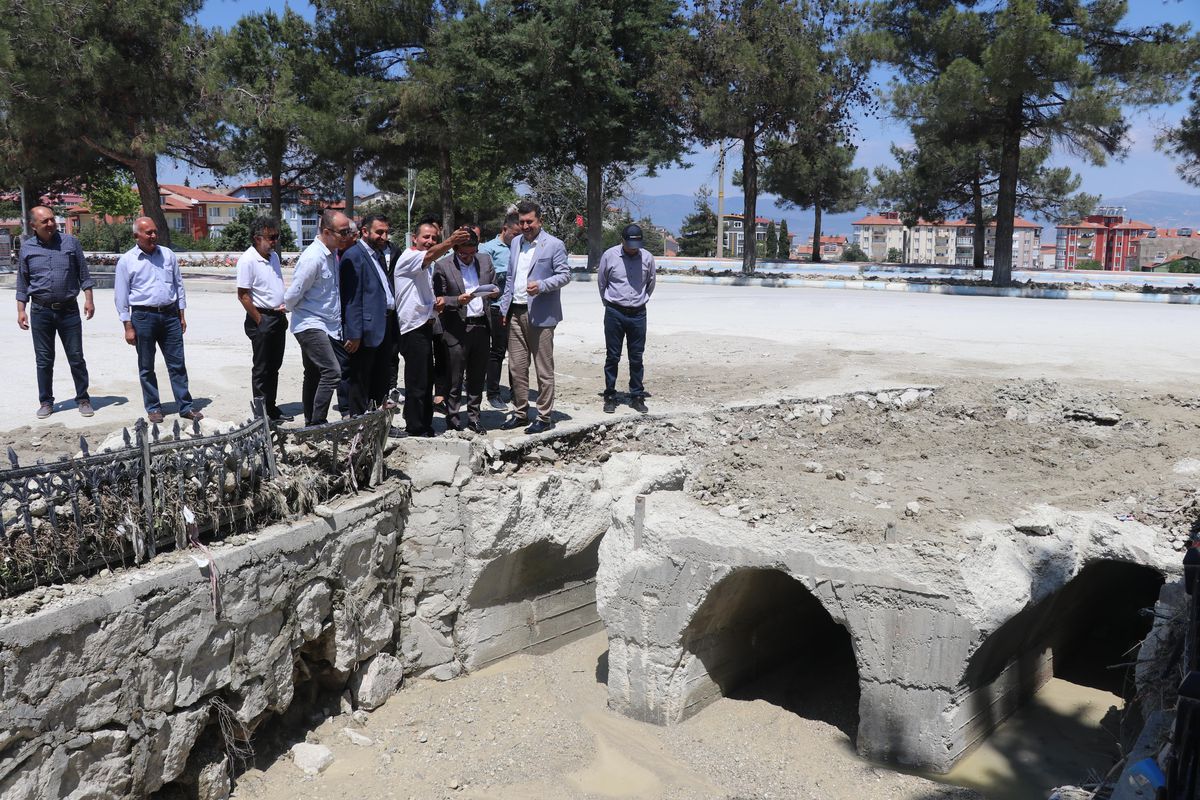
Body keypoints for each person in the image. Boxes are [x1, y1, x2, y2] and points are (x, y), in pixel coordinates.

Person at [114, 217, 201, 424]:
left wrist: (181, 315)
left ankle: (185, 406)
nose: (153, 236)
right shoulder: (127, 261)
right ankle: (153, 407)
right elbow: (121, 296)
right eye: (148, 233)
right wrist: (127, 326)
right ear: (136, 236)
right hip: (143, 317)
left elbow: (178, 285)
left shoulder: (168, 255)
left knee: (177, 363)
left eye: (155, 231)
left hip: (170, 316)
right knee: (146, 366)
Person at [15, 205, 95, 419]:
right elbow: (22, 282)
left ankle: (83, 398)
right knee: (44, 359)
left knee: (76, 357)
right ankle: (46, 401)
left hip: (69, 310)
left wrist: (89, 299)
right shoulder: (27, 248)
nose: (51, 224)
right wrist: (21, 310)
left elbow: (84, 274)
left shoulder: (71, 243)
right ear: (33, 225)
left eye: (52, 219)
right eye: (45, 221)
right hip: (40, 311)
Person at [497, 201, 570, 434]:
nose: (526, 226)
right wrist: (504, 308)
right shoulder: (515, 242)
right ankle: (520, 413)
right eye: (522, 222)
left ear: (540, 221)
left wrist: (542, 285)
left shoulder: (554, 245)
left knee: (543, 369)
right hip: (515, 312)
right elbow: (510, 277)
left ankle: (544, 416)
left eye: (530, 221)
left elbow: (565, 275)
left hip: (541, 314)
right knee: (517, 367)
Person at [391, 223, 470, 437]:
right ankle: (416, 427)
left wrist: (434, 305)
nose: (430, 241)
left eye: (434, 238)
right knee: (417, 381)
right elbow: (430, 255)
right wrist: (451, 241)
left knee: (426, 379)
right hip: (412, 327)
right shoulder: (410, 257)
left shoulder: (426, 265)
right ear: (414, 238)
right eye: (426, 237)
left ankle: (424, 424)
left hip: (425, 325)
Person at [284, 210, 355, 426]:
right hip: (310, 323)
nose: (347, 236)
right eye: (343, 232)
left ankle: (310, 421)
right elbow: (295, 291)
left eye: (349, 231)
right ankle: (317, 422)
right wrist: (287, 307)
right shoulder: (313, 257)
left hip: (327, 324)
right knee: (332, 372)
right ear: (326, 232)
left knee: (314, 374)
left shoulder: (332, 253)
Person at [433, 230, 497, 433]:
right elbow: (437, 299)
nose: (469, 258)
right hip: (456, 328)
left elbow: (495, 286)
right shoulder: (443, 265)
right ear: (455, 249)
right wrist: (456, 300)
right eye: (463, 254)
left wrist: (494, 292)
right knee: (455, 377)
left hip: (481, 325)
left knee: (477, 376)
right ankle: (453, 419)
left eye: (472, 253)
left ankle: (474, 418)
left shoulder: (485, 261)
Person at [339, 213, 398, 415]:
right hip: (365, 330)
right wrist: (354, 333)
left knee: (380, 380)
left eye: (386, 232)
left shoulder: (377, 255)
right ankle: (358, 423)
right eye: (379, 232)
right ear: (364, 231)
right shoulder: (354, 255)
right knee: (360, 381)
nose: (384, 237)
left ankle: (377, 422)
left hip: (384, 325)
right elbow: (352, 298)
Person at [236, 215, 290, 422]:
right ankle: (261, 413)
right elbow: (243, 295)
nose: (275, 241)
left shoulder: (273, 257)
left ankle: (271, 408)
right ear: (257, 238)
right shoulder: (248, 260)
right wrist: (260, 320)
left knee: (274, 366)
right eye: (271, 237)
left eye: (277, 236)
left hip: (278, 316)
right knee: (261, 368)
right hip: (262, 318)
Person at [598, 223, 657, 414]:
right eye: (630, 245)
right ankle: (610, 395)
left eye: (636, 245)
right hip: (615, 312)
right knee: (612, 356)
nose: (633, 249)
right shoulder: (609, 256)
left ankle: (637, 395)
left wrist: (640, 300)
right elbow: (602, 282)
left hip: (638, 314)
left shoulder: (647, 257)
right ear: (622, 241)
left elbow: (650, 283)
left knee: (636, 357)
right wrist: (609, 303)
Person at [479, 212, 520, 408]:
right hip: (497, 307)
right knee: (497, 351)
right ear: (505, 229)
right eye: (515, 233)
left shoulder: (520, 247)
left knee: (518, 353)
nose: (518, 237)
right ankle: (493, 393)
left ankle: (517, 391)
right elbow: (483, 277)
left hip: (517, 305)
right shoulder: (488, 249)